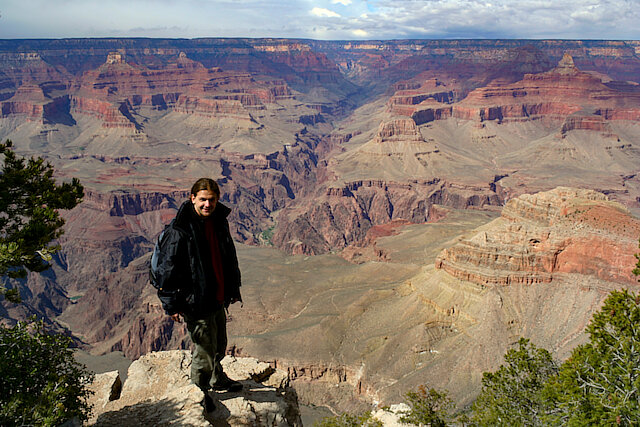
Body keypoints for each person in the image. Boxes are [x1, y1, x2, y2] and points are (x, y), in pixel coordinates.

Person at [155, 178, 243, 411]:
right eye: (203, 199)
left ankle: (216, 378)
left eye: (211, 200)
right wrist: (171, 304)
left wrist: (233, 288)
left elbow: (228, 257)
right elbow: (167, 270)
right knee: (204, 350)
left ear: (217, 199)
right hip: (195, 300)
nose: (207, 204)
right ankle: (199, 393)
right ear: (192, 198)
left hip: (217, 295)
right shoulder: (180, 230)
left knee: (220, 343)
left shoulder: (218, 221)